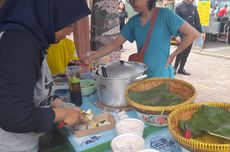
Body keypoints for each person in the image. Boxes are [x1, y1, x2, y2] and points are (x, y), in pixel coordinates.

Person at [0, 0, 91, 151]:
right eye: (69, 24)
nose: (70, 31)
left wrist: (57, 103)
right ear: (51, 13)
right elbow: (15, 117)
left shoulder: (31, 40)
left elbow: (28, 89)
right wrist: (62, 113)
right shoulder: (19, 45)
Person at [82, 0, 199, 78]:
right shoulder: (133, 22)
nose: (131, 2)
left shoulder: (165, 14)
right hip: (142, 76)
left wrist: (173, 55)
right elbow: (114, 44)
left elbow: (192, 34)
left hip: (161, 77)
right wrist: (91, 57)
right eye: (130, 0)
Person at [174, 0, 203, 75]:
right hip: (182, 33)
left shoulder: (194, 7)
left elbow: (197, 21)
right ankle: (175, 68)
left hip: (191, 34)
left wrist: (201, 32)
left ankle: (181, 69)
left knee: (187, 52)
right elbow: (175, 22)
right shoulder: (179, 7)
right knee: (180, 51)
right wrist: (177, 35)